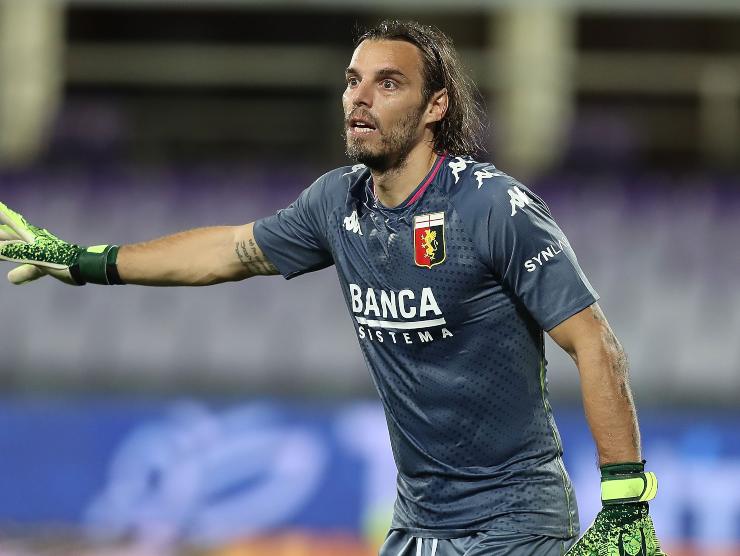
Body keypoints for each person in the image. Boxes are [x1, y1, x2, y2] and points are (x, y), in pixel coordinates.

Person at [0, 20, 665, 556]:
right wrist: (86, 260)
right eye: (353, 82)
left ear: (436, 106)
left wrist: (626, 499)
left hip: (512, 524)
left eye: (388, 83)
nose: (360, 98)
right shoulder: (336, 203)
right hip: (417, 521)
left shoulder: (492, 208)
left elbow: (596, 346)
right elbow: (225, 252)